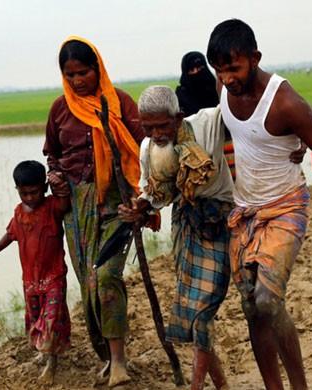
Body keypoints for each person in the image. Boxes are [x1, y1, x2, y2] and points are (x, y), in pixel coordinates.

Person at [207, 19, 312, 390]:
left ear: (255, 58)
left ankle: (300, 386)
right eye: (220, 70)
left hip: (286, 206)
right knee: (251, 307)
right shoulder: (223, 88)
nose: (226, 78)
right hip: (244, 212)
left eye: (234, 68)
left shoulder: (285, 102)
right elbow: (240, 135)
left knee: (268, 302)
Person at [42, 36, 147, 387]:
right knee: (89, 285)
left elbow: (143, 149)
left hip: (118, 205)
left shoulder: (119, 103)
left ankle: (119, 361)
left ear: (97, 68)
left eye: (83, 72)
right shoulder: (60, 109)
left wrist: (143, 198)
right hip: (77, 209)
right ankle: (106, 354)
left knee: (106, 277)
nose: (77, 80)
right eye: (69, 74)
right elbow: (52, 155)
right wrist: (55, 175)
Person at [119, 85, 232, 390]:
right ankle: (220, 385)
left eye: (162, 125)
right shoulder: (148, 150)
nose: (156, 133)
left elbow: (250, 119)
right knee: (196, 311)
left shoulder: (209, 123)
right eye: (148, 127)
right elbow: (153, 194)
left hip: (220, 220)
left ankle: (196, 386)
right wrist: (139, 207)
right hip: (185, 223)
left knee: (203, 308)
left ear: (178, 116)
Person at [0, 160, 71, 385]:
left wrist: (57, 180)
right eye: (24, 193)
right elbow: (11, 234)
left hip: (54, 278)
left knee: (51, 321)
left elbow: (66, 199)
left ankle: (52, 364)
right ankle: (42, 353)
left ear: (44, 188)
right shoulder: (19, 213)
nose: (30, 198)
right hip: (31, 281)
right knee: (34, 320)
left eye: (34, 192)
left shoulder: (53, 208)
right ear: (17, 191)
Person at [175, 51, 220, 117]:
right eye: (192, 70)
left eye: (200, 68)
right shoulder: (180, 97)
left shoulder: (217, 89)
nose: (196, 72)